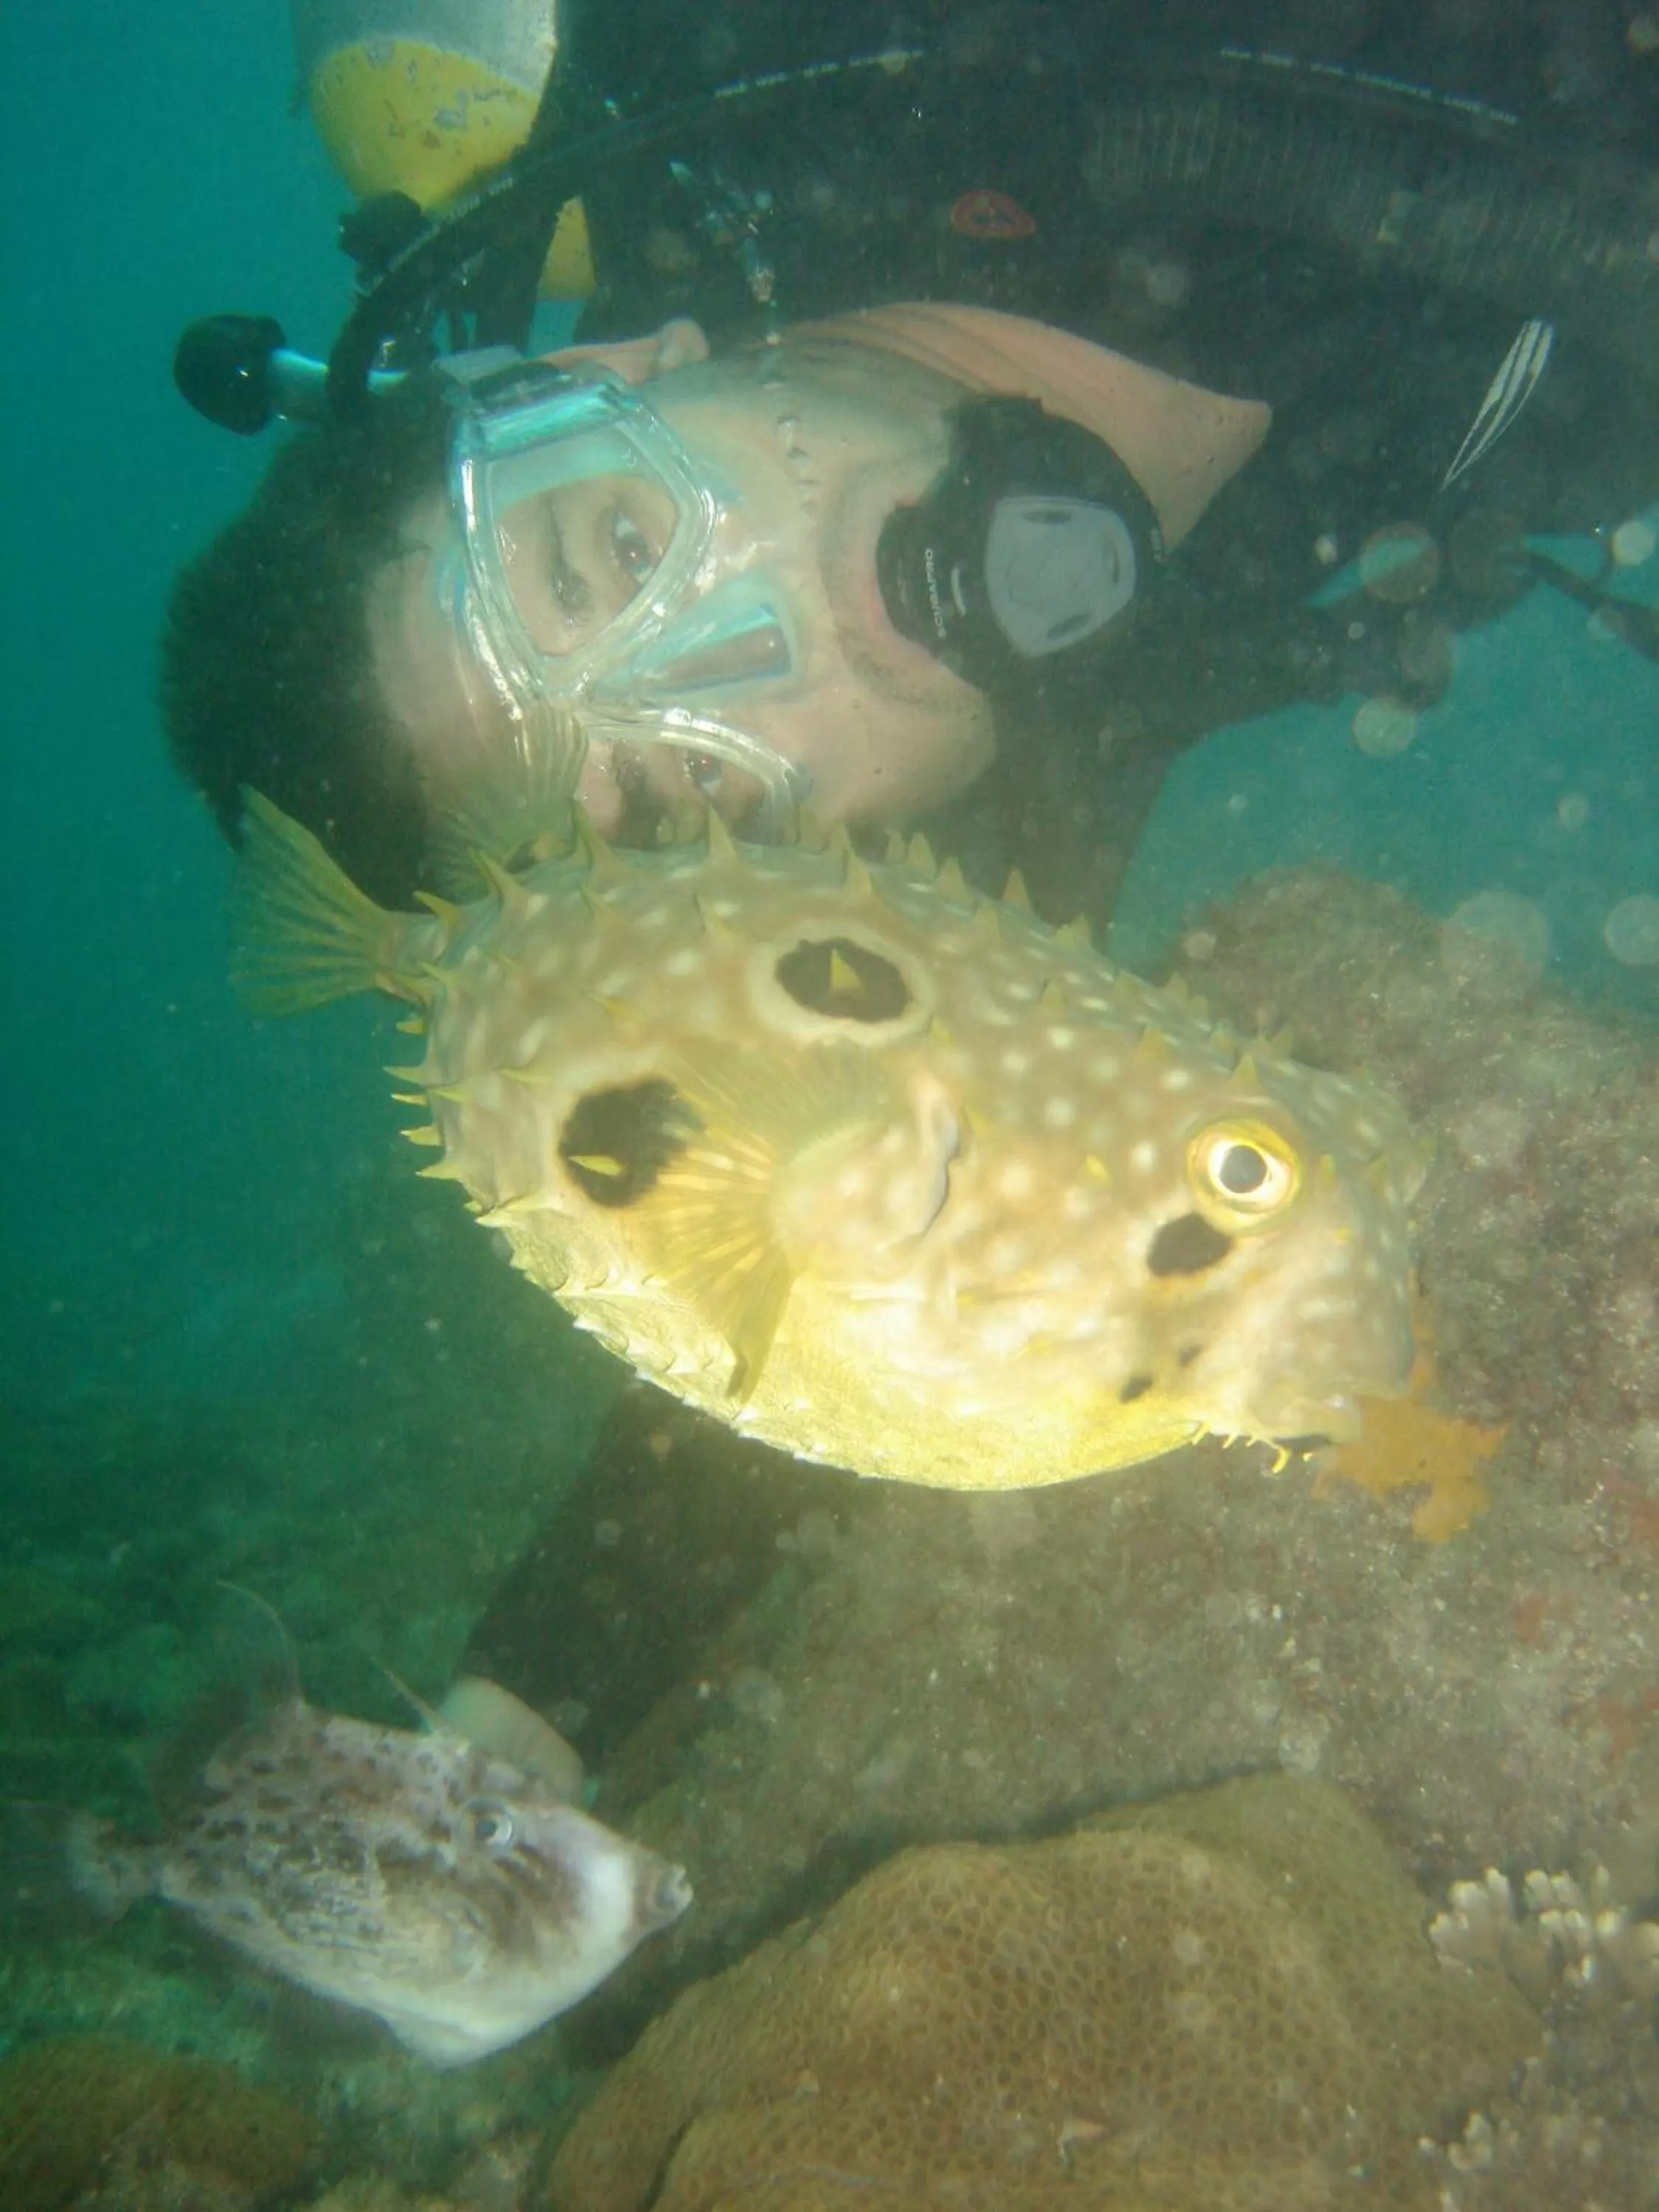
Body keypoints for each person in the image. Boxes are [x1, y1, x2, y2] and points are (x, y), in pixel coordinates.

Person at [163, 11, 1659, 1761]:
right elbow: (806, 1328)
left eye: (615, 553)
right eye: (692, 786)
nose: (764, 652)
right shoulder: (983, 879)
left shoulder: (873, 59)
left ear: (619, 364)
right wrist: (513, 1742)